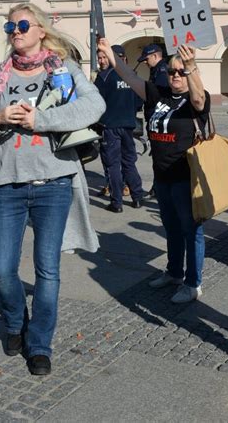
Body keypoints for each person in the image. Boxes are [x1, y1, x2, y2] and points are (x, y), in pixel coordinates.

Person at [0, 3, 105, 375]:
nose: (15, 30)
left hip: (53, 183)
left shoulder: (62, 69)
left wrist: (40, 120)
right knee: (2, 269)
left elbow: (95, 106)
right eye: (10, 25)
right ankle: (15, 323)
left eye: (23, 24)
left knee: (48, 270)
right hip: (7, 184)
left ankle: (40, 343)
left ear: (41, 30)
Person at [98, 37, 209, 303]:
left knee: (191, 231)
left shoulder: (193, 102)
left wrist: (191, 66)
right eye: (172, 71)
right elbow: (129, 75)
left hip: (185, 176)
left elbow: (199, 98)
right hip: (162, 177)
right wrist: (110, 55)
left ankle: (193, 283)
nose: (176, 76)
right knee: (171, 229)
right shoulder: (157, 94)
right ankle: (174, 273)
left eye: (181, 72)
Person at [94, 44, 145, 213]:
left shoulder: (104, 77)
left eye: (103, 57)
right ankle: (137, 197)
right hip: (129, 125)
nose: (101, 61)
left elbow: (95, 103)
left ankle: (117, 203)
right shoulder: (132, 75)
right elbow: (139, 102)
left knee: (113, 165)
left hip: (110, 126)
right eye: (100, 58)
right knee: (129, 162)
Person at [138, 44, 169, 199]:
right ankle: (158, 188)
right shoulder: (157, 70)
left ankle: (159, 188)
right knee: (157, 156)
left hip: (159, 120)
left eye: (147, 58)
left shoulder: (162, 71)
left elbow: (159, 98)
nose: (145, 62)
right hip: (155, 119)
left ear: (155, 56)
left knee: (160, 157)